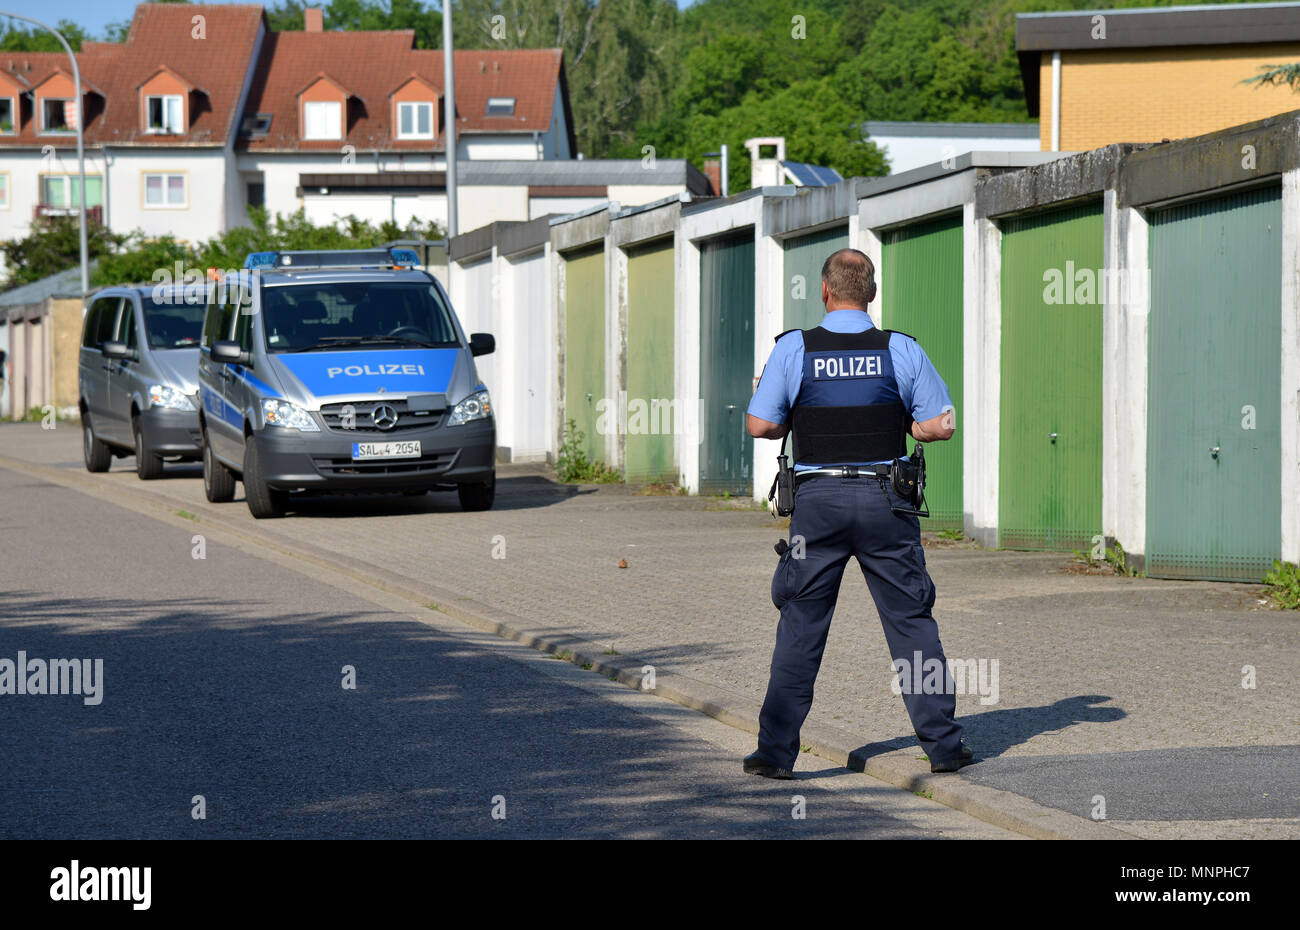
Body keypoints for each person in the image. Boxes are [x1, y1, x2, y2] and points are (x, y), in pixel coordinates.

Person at [743, 248, 973, 779]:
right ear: (871, 293)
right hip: (885, 504)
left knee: (800, 625)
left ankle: (775, 755)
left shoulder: (793, 349)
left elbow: (760, 426)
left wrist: (789, 420)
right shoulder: (901, 349)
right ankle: (943, 748)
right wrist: (909, 427)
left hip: (816, 505)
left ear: (824, 292)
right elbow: (941, 424)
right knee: (912, 622)